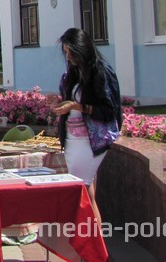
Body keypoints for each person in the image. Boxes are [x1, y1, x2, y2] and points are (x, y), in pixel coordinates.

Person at [50, 28, 122, 227]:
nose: (68, 57)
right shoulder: (72, 73)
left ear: (82, 49)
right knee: (86, 191)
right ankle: (89, 245)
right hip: (73, 140)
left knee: (82, 192)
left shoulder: (101, 71)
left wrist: (76, 106)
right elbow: (70, 101)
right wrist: (59, 104)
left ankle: (92, 245)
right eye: (65, 52)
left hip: (92, 141)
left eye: (71, 52)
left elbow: (109, 111)